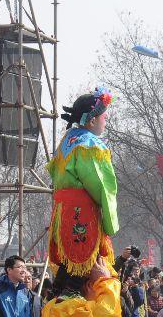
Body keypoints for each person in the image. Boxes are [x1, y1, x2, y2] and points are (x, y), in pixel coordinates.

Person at [48, 87, 118, 275]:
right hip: (82, 213)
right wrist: (111, 222)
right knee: (88, 274)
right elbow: (102, 186)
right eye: (104, 116)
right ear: (93, 120)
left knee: (68, 271)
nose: (106, 120)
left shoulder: (66, 141)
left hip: (62, 212)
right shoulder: (90, 144)